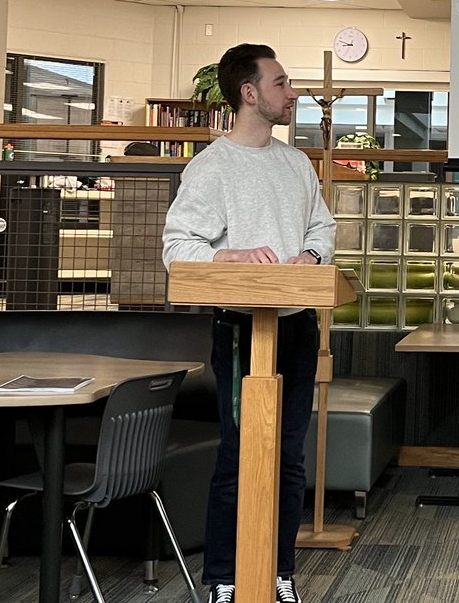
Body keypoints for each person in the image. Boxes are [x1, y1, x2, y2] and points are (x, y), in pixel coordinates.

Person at [162, 43, 335, 603]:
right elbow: (176, 247)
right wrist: (228, 255)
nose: (292, 93)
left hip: (298, 325)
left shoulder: (295, 164)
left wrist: (309, 257)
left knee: (288, 456)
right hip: (240, 330)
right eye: (282, 83)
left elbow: (322, 229)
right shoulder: (211, 167)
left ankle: (279, 573)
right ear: (250, 93)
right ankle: (224, 579)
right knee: (238, 456)